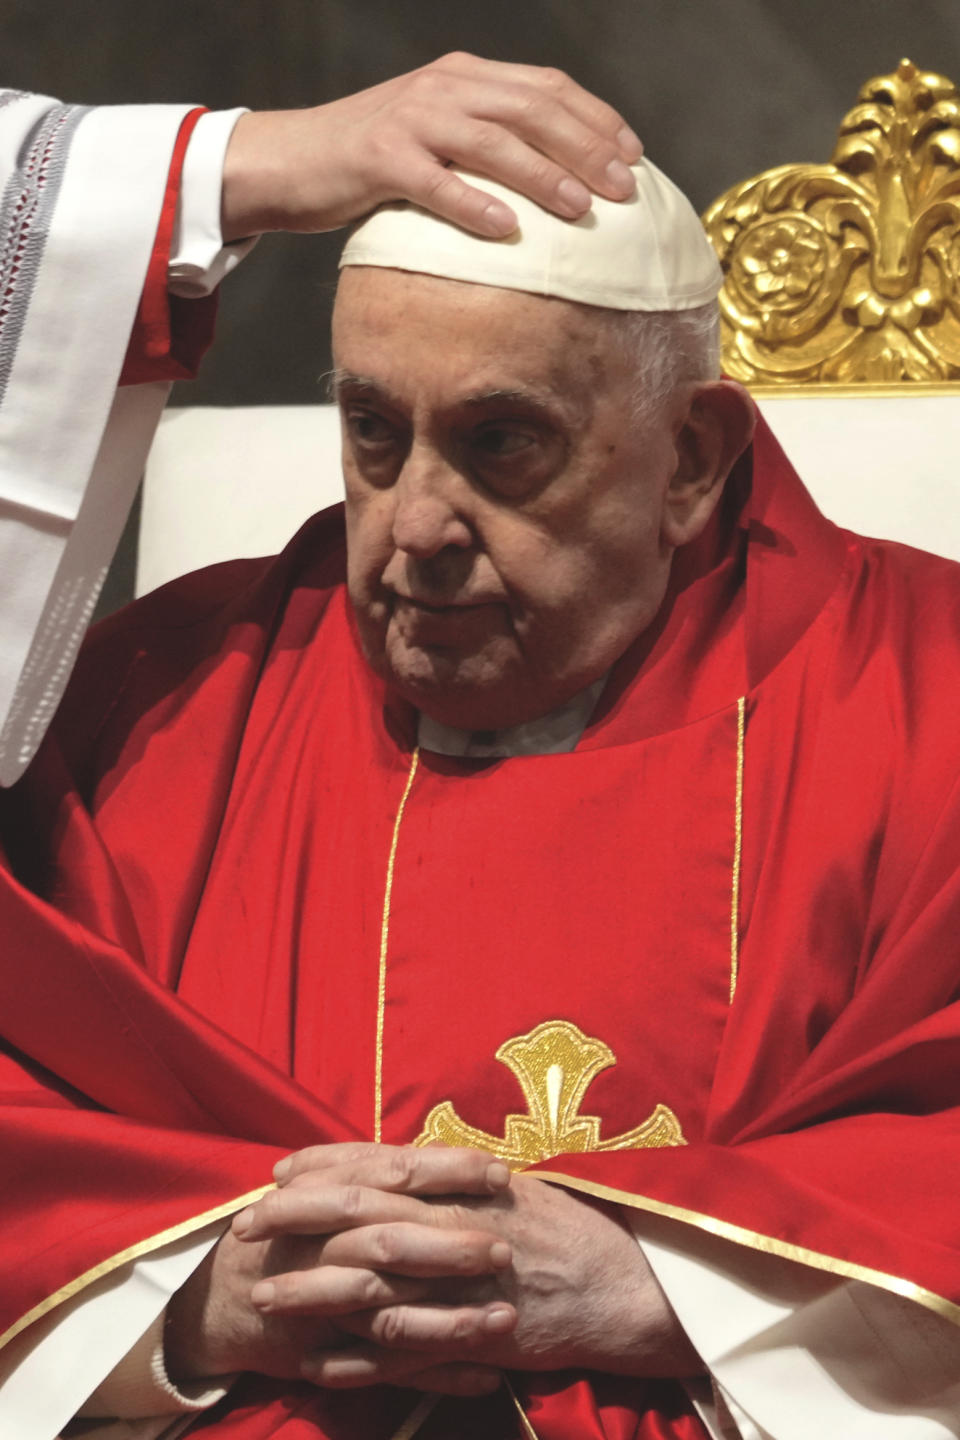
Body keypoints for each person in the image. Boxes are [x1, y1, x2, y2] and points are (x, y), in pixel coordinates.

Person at [2, 52, 960, 1440]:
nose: (416, 527)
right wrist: (193, 1302)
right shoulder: (158, 710)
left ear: (692, 462)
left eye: (502, 443)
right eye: (374, 433)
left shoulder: (923, 698)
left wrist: (669, 1285)